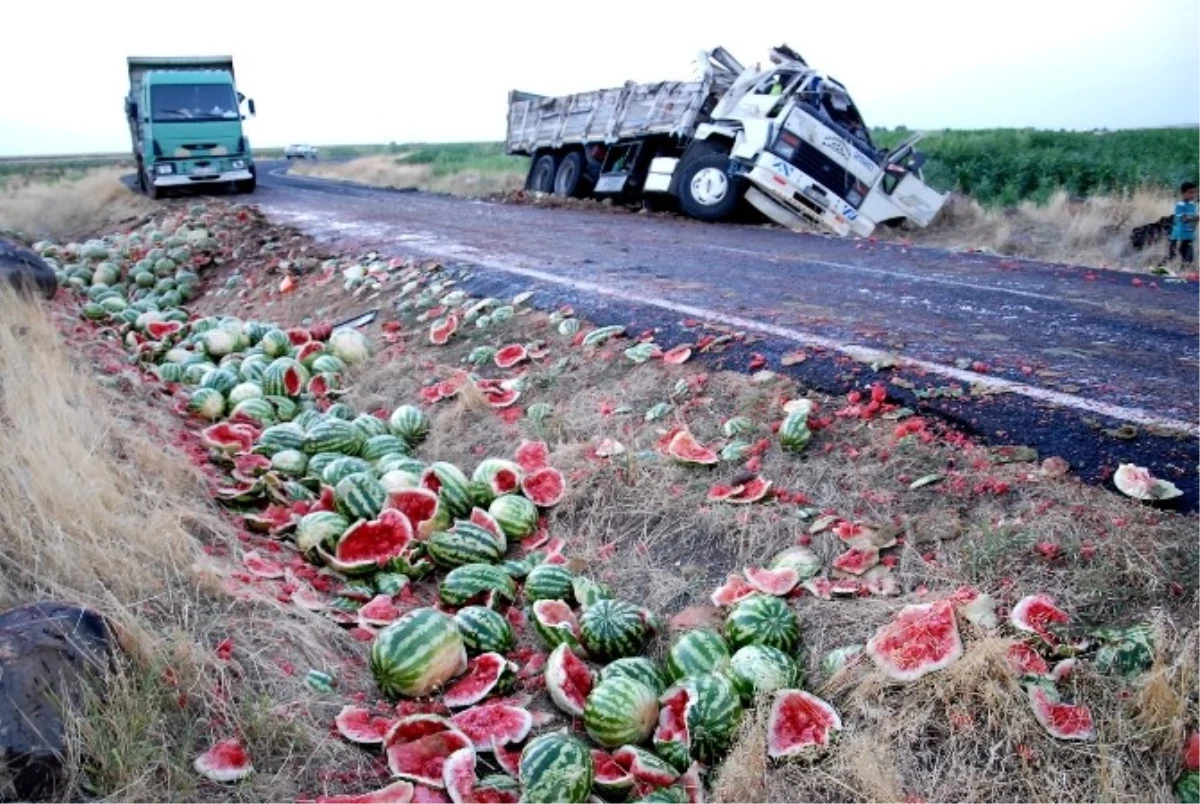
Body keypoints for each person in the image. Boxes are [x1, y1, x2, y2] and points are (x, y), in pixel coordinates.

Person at [1168, 181, 1197, 264]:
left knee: (1188, 260)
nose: (1193, 195)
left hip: (1188, 236)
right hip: (1178, 237)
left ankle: (1182, 275)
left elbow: (1194, 222)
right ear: (1183, 193)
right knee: (1172, 258)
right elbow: (1183, 218)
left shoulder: (1194, 205)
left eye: (1194, 192)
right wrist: (1196, 217)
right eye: (1190, 192)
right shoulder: (1180, 205)